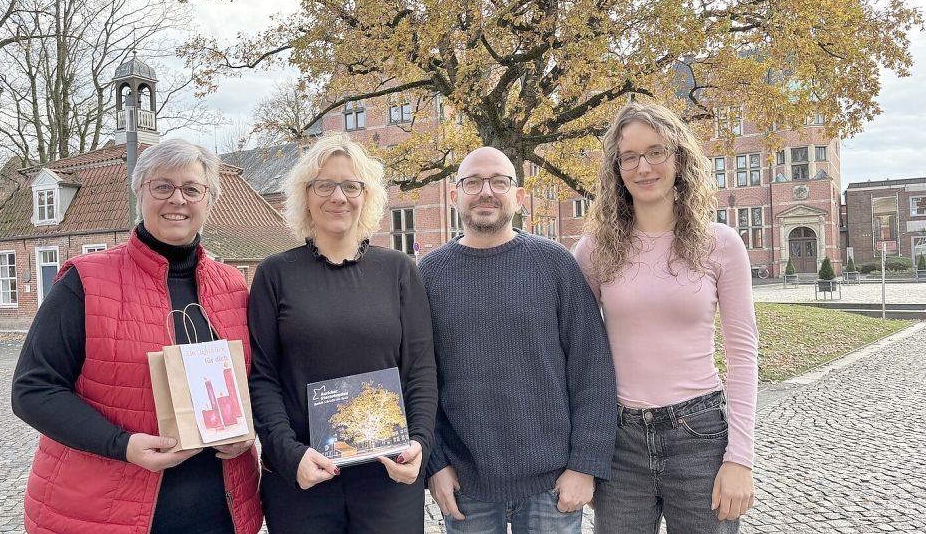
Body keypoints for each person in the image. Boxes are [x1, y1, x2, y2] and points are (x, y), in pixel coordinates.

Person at [11, 139, 263, 534]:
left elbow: (254, 383)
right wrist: (122, 444)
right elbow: (33, 390)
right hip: (105, 510)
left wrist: (247, 433)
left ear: (209, 199)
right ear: (139, 193)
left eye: (191, 189)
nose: (177, 200)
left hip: (220, 508)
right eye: (162, 186)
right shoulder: (85, 280)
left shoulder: (232, 286)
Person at [573, 101, 759, 533]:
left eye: (656, 152)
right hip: (620, 441)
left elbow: (744, 354)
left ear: (679, 157)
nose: (644, 167)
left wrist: (740, 458)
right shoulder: (594, 251)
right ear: (616, 168)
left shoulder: (722, 244)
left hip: (701, 436)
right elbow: (579, 353)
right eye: (630, 157)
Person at [419, 147, 617, 534]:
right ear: (454, 195)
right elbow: (419, 380)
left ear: (519, 196)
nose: (485, 192)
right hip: (466, 483)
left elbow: (592, 368)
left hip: (552, 482)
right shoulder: (429, 275)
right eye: (472, 182)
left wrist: (584, 465)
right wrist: (435, 465)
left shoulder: (555, 264)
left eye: (499, 182)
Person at [247, 133, 437, 534]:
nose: (339, 196)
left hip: (388, 475)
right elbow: (262, 377)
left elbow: (420, 371)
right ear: (305, 195)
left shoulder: (399, 271)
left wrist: (419, 442)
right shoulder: (275, 274)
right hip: (303, 477)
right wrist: (288, 454)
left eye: (351, 186)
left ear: (366, 196)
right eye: (324, 185)